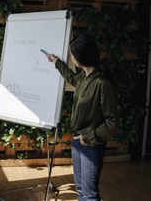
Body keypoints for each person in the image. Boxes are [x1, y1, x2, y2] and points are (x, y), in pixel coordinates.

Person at [46, 35, 119, 201]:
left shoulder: (102, 83)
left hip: (90, 144)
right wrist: (57, 62)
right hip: (77, 141)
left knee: (89, 195)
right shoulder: (84, 77)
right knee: (81, 190)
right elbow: (71, 78)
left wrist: (88, 138)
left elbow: (112, 122)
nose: (71, 57)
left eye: (72, 55)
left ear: (80, 58)